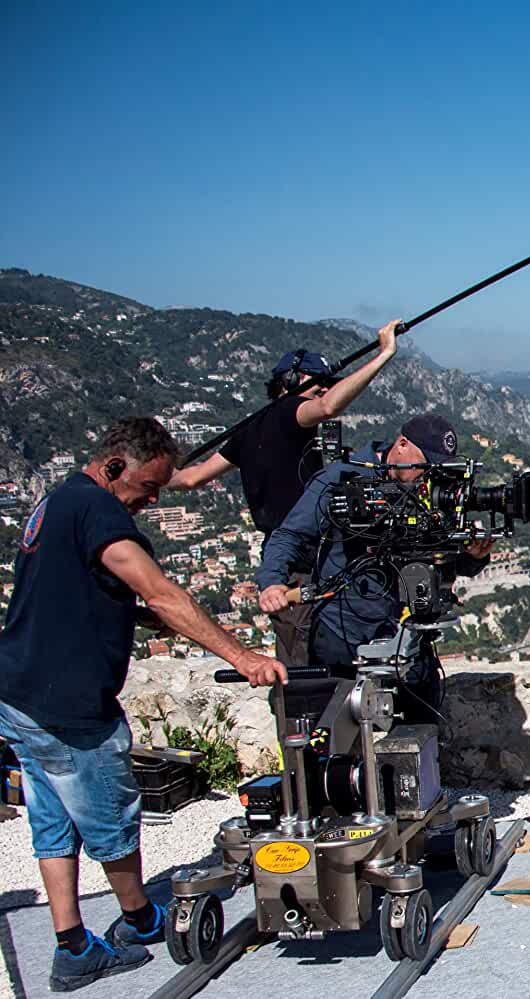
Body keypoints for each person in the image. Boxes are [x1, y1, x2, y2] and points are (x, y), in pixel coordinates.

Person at [0, 418, 286, 992]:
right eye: (148, 486)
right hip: (70, 704)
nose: (153, 500)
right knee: (110, 815)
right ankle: (138, 918)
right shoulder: (100, 511)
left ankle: (72, 943)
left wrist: (128, 615)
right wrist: (243, 656)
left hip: (19, 693)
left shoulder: (59, 501)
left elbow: (67, 589)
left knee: (54, 823)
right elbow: (162, 591)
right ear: (114, 467)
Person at [168, 321, 400, 665]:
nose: (325, 389)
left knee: (297, 658)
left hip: (284, 561)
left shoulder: (249, 428)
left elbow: (191, 479)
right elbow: (328, 408)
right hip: (305, 562)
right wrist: (384, 354)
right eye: (318, 383)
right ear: (290, 382)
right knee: (314, 662)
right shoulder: (290, 413)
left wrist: (154, 479)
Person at [256, 413, 494, 715]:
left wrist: (475, 556)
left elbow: (446, 560)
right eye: (424, 465)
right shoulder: (342, 478)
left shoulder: (432, 490)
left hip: (407, 635)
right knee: (336, 730)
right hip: (341, 632)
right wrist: (271, 582)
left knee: (420, 727)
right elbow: (289, 535)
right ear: (402, 445)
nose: (427, 475)